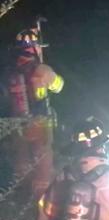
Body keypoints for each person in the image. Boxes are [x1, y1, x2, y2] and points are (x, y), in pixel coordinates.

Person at [5, 28, 64, 201]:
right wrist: (47, 74)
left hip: (16, 125)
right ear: (36, 48)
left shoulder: (11, 71)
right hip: (40, 125)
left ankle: (20, 198)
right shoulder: (41, 69)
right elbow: (59, 86)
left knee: (21, 165)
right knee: (43, 167)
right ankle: (41, 203)